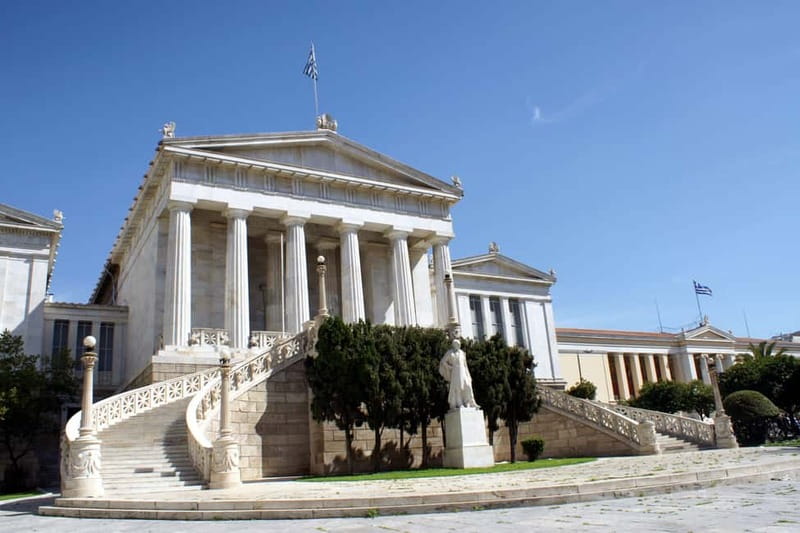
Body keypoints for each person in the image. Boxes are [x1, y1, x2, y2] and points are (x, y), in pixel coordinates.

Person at [438, 339, 478, 409]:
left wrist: (468, 375)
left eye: (458, 344)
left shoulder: (462, 353)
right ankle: (459, 403)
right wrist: (450, 367)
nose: (457, 345)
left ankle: (469, 402)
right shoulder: (450, 352)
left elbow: (465, 365)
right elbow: (443, 362)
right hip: (455, 371)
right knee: (457, 387)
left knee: (467, 385)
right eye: (455, 344)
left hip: (463, 370)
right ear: (453, 345)